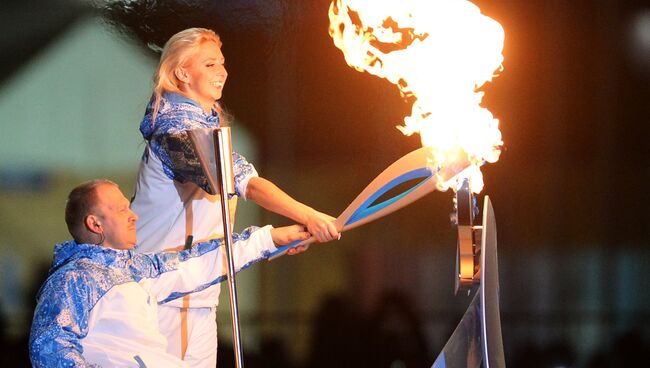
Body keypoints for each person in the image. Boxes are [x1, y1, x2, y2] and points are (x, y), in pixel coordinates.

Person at [130, 27, 340, 366]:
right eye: (210, 64)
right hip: (161, 291)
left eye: (222, 63)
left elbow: (215, 222)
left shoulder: (206, 127)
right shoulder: (175, 132)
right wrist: (308, 215)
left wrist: (277, 240)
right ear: (183, 73)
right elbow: (247, 183)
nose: (223, 73)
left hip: (198, 292)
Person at [29, 179, 309, 367]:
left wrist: (273, 238)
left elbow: (200, 261)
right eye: (122, 208)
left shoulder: (137, 269)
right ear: (95, 223)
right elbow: (49, 347)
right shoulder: (73, 279)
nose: (133, 215)